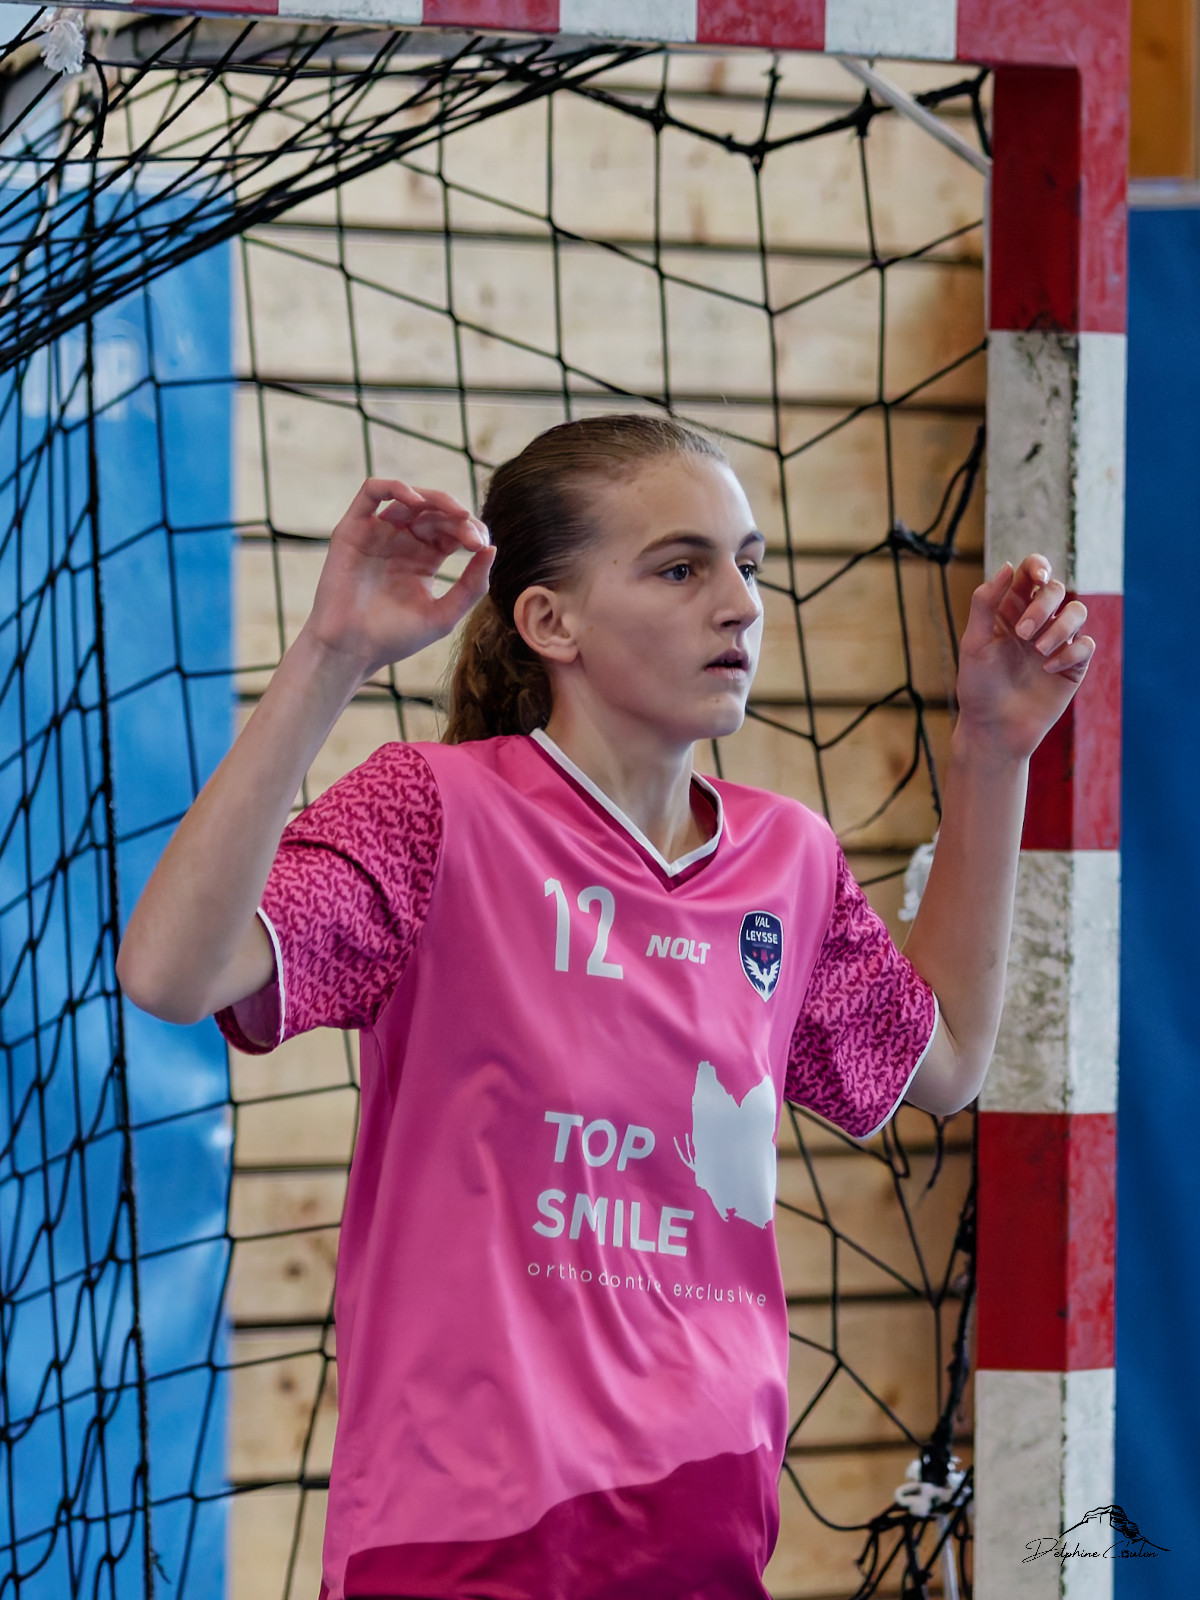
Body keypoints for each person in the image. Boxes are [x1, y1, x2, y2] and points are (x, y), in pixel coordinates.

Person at [117, 414, 1093, 1600]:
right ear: (550, 621)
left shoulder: (787, 857)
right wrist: (331, 651)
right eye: (682, 568)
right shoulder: (432, 811)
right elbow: (170, 971)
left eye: (750, 565)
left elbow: (944, 1062)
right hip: (459, 1547)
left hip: (702, 1535)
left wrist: (994, 748)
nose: (739, 604)